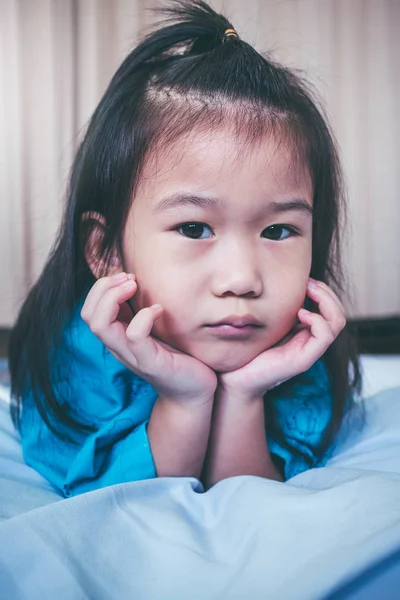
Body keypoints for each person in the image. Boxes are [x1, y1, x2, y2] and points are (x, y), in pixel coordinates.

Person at [8, 0, 361, 497]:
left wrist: (243, 394)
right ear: (105, 250)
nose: (241, 279)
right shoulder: (75, 361)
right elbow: (112, 506)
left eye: (278, 231)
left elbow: (252, 500)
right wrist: (184, 398)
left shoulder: (306, 361)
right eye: (195, 229)